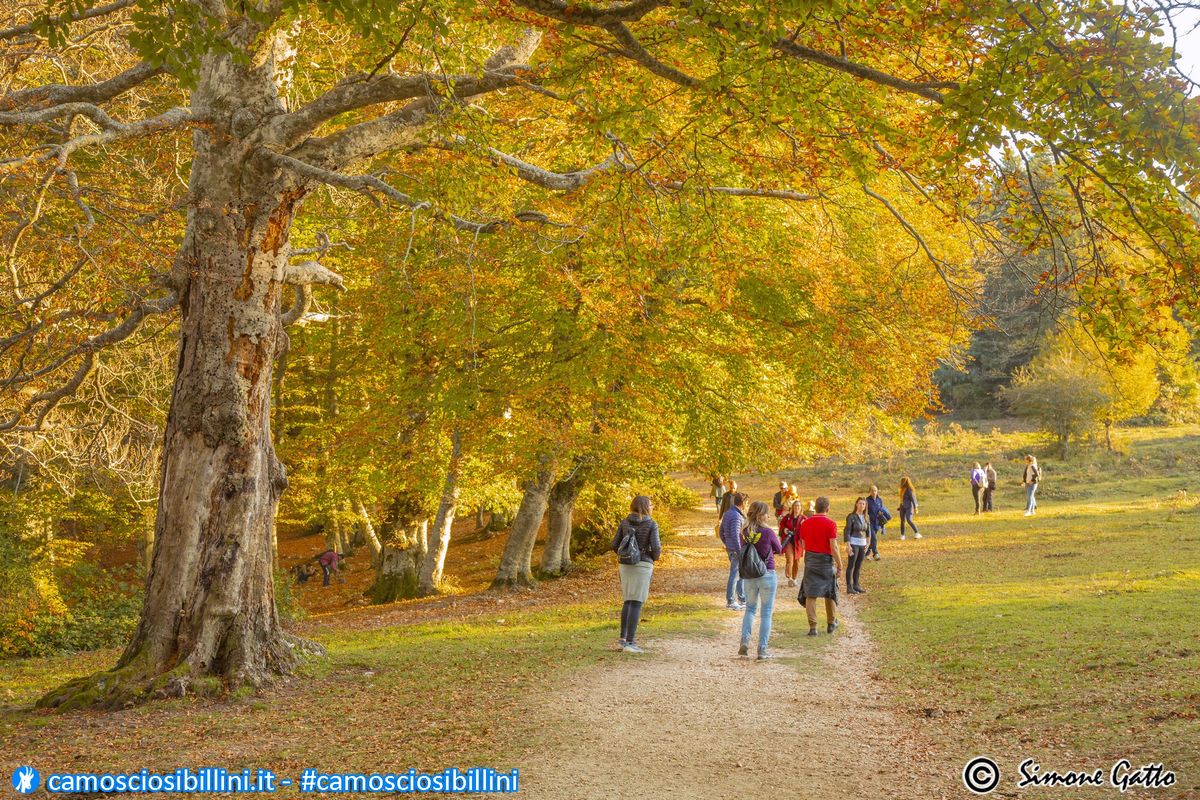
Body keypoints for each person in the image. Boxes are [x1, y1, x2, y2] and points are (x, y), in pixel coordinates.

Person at [611, 495, 662, 653]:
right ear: (646, 507)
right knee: (637, 602)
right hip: (643, 564)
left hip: (625, 565)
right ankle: (630, 643)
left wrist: (625, 555)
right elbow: (657, 548)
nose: (653, 507)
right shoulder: (651, 523)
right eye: (651, 505)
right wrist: (651, 557)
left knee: (628, 600)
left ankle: (622, 639)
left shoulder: (625, 522)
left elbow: (614, 544)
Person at [738, 500, 784, 660]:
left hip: (749, 575)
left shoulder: (743, 531)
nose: (768, 515)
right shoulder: (768, 532)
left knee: (750, 609)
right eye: (766, 512)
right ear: (760, 515)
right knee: (766, 613)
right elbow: (779, 549)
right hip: (767, 574)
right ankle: (762, 650)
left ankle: (744, 640)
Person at [798, 496, 843, 635]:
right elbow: (833, 546)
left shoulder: (805, 524)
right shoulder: (831, 524)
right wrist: (840, 565)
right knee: (829, 592)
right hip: (825, 561)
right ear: (827, 508)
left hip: (811, 560)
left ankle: (813, 627)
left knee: (811, 594)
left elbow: (803, 544)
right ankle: (831, 623)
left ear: (815, 508)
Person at [719, 492, 748, 610]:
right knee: (735, 575)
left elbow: (721, 532)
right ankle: (730, 600)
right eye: (747, 503)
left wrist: (727, 543)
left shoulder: (728, 513)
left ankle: (742, 599)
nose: (747, 505)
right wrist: (739, 550)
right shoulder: (736, 516)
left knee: (740, 574)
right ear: (743, 503)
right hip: (736, 550)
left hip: (731, 548)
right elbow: (736, 535)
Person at [844, 498, 870, 594]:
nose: (862, 505)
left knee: (858, 566)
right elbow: (847, 531)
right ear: (856, 504)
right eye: (860, 503)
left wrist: (868, 544)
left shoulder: (866, 517)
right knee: (851, 565)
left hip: (863, 544)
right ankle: (849, 587)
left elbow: (868, 532)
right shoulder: (851, 517)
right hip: (853, 543)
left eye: (864, 504)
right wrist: (848, 545)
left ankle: (856, 585)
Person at [778, 499, 804, 587]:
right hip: (789, 540)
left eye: (799, 506)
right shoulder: (788, 516)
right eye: (795, 506)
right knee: (790, 559)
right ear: (793, 507)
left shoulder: (803, 518)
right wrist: (784, 529)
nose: (797, 508)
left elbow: (808, 530)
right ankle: (789, 578)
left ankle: (794, 578)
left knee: (797, 561)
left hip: (798, 542)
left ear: (801, 508)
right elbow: (781, 525)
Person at [865, 485, 889, 561]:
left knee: (872, 539)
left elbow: (882, 509)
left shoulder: (879, 500)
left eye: (875, 490)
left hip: (877, 522)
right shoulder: (867, 500)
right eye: (872, 490)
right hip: (869, 522)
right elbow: (864, 512)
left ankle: (867, 554)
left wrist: (883, 525)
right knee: (874, 538)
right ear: (870, 491)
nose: (874, 492)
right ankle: (875, 554)